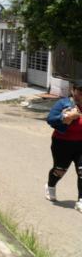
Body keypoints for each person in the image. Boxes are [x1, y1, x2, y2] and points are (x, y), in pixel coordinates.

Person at [44, 81, 82, 213]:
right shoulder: (64, 103)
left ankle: (81, 201)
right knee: (60, 170)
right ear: (73, 90)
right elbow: (50, 119)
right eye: (80, 91)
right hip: (62, 143)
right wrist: (65, 116)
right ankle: (50, 185)